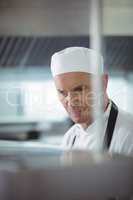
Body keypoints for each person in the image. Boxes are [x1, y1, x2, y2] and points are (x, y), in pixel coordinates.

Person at [51, 47, 133, 156]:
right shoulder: (70, 138)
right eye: (62, 92)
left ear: (103, 83)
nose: (71, 102)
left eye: (79, 89)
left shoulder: (129, 134)